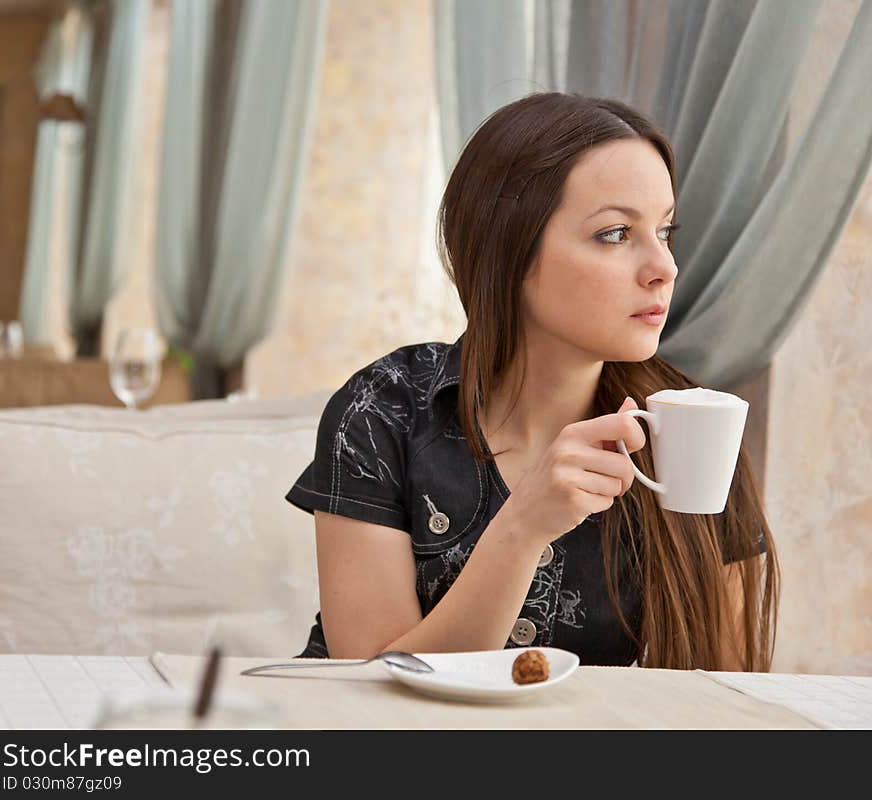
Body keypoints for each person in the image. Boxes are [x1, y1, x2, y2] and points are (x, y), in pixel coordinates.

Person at [286, 92, 779, 671]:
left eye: (666, 231)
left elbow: (723, 704)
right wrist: (523, 528)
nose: (664, 267)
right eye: (616, 233)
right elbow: (372, 686)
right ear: (510, 248)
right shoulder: (383, 410)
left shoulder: (695, 430)